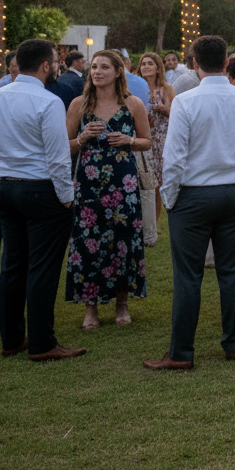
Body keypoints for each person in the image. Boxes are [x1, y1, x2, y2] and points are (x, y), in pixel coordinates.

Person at [145, 35, 235, 371]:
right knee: (231, 272)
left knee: (188, 276)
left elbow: (173, 159)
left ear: (194, 63)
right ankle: (233, 345)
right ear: (227, 63)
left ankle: (181, 352)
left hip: (193, 194)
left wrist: (170, 199)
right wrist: (231, 158)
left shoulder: (186, 102)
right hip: (234, 192)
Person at [0, 40, 85, 361]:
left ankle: (12, 338)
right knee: (42, 269)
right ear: (46, 65)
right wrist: (66, 196)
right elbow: (58, 158)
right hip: (41, 189)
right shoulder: (47, 101)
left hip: (5, 187)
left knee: (12, 265)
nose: (57, 65)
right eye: (56, 61)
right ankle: (43, 343)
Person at [65, 49, 152, 329]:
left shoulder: (133, 103)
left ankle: (121, 304)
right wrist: (81, 138)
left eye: (104, 67)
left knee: (123, 239)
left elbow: (147, 141)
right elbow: (64, 146)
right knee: (88, 239)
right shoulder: (79, 103)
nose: (97, 72)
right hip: (89, 181)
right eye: (93, 67)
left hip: (123, 180)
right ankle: (90, 308)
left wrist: (129, 140)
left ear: (117, 72)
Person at [139, 52, 175, 218]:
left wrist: (163, 108)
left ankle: (154, 220)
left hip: (160, 138)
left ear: (158, 68)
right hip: (141, 136)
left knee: (157, 182)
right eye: (143, 64)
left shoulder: (166, 88)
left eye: (150, 64)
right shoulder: (136, 87)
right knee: (141, 180)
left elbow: (176, 113)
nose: (145, 67)